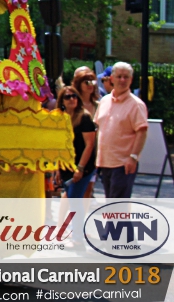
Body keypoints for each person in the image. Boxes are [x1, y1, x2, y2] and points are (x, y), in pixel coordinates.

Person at [94, 62, 149, 199]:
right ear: (111, 79)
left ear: (131, 79)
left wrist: (133, 157)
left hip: (123, 164)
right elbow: (98, 128)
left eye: (126, 77)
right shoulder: (104, 101)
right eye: (119, 76)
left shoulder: (136, 105)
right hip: (105, 162)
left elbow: (141, 131)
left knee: (117, 207)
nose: (122, 80)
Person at [57, 86, 97, 199]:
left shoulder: (84, 117)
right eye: (68, 97)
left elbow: (89, 145)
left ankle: (73, 218)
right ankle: (72, 218)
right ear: (62, 101)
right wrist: (58, 169)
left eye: (74, 96)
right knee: (72, 200)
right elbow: (60, 146)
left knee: (74, 199)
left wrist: (80, 168)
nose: (72, 99)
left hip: (83, 166)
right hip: (66, 167)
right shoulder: (61, 118)